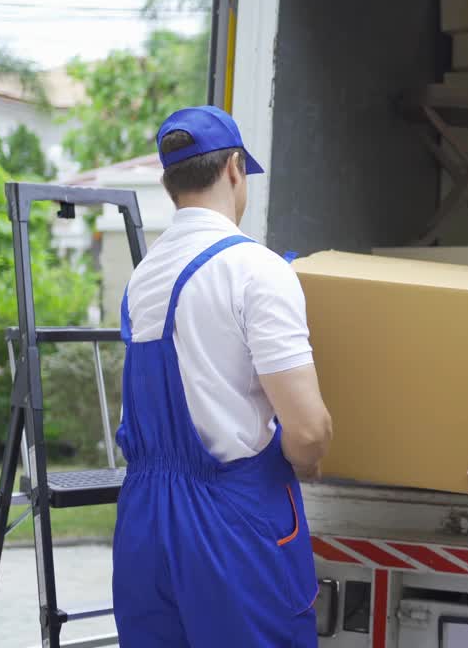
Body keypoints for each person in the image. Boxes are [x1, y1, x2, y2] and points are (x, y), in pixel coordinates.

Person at [112, 105, 332, 647]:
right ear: (235, 168)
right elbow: (307, 431)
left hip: (144, 523)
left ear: (169, 183)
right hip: (230, 522)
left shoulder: (142, 278)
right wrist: (309, 459)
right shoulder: (256, 270)